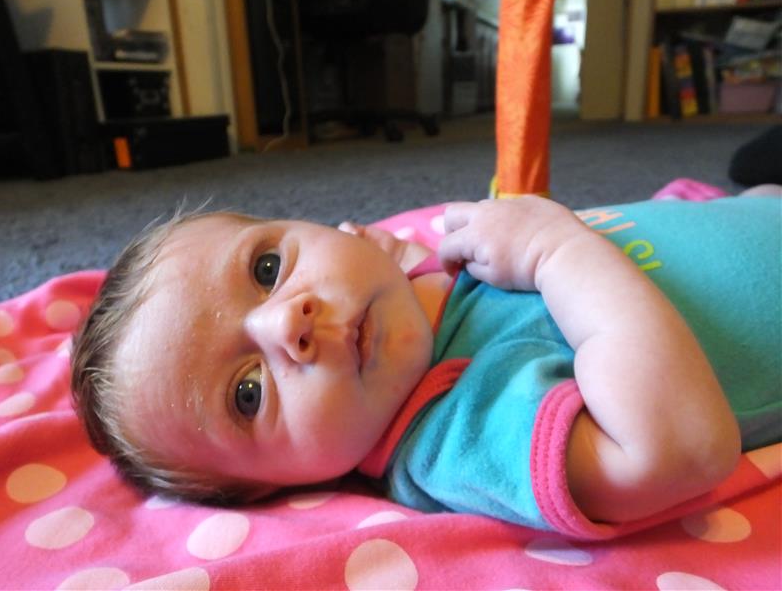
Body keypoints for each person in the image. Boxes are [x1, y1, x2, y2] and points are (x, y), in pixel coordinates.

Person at [71, 189, 781, 535]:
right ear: (274, 490)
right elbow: (678, 450)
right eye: (247, 394)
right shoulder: (455, 431)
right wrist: (556, 251)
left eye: (265, 268)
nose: (287, 321)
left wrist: (393, 257)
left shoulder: (407, 291)